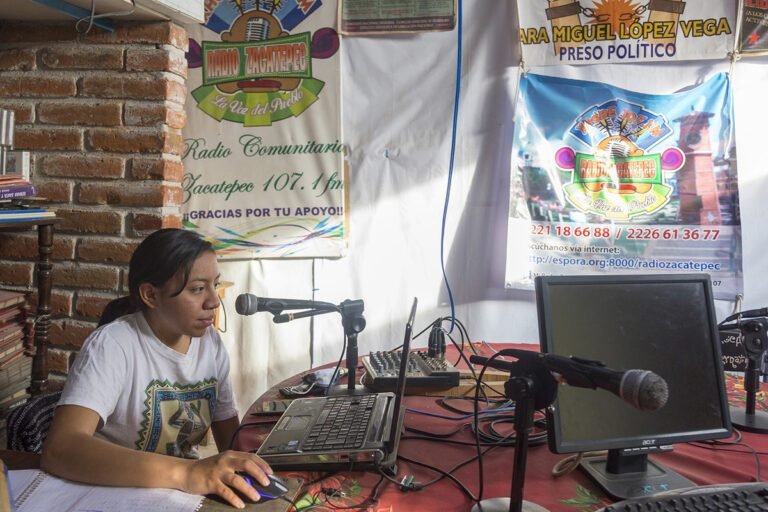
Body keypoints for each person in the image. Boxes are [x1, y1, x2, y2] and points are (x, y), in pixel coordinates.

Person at [41, 228, 272, 509]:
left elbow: (231, 442)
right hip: (112, 495)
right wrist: (187, 472)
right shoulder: (113, 345)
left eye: (215, 285)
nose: (213, 301)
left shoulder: (210, 343)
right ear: (151, 295)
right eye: (198, 289)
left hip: (176, 497)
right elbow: (60, 448)